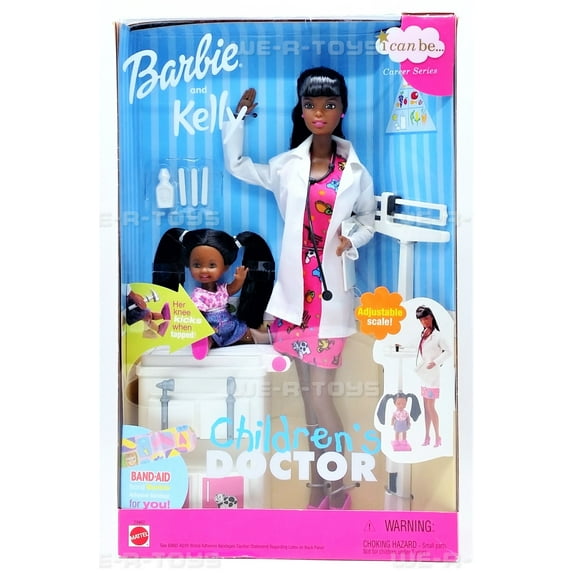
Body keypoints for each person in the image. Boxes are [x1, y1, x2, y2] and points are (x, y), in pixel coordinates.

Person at [223, 67, 376, 509]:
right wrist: (239, 119)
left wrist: (351, 239)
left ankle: (341, 489)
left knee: (321, 398)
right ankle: (317, 489)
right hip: (294, 302)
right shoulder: (286, 166)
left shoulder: (355, 171)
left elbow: (367, 219)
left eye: (329, 104)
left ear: (342, 110)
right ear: (301, 110)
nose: (319, 113)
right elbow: (237, 165)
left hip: (329, 299)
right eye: (311, 105)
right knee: (309, 403)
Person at [152, 227, 274, 356]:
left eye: (212, 265)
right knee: (209, 336)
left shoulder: (221, 289)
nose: (204, 270)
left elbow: (232, 289)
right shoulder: (198, 295)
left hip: (229, 324)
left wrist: (240, 279)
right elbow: (198, 315)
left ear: (225, 267)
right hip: (212, 327)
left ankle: (270, 337)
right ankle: (202, 343)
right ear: (188, 265)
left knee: (245, 333)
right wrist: (202, 328)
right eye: (197, 265)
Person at [414, 305, 452, 447]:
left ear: (431, 317)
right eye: (421, 320)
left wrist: (436, 362)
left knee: (431, 407)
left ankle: (438, 436)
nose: (424, 322)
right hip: (424, 375)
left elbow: (448, 351)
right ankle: (427, 436)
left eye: (425, 318)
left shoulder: (438, 336)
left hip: (433, 376)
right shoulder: (424, 333)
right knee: (426, 407)